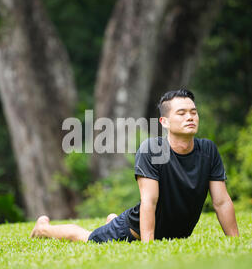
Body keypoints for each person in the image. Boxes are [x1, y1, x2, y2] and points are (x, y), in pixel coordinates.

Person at [30, 89, 239, 243]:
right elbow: (149, 201)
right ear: (164, 122)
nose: (190, 117)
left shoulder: (208, 150)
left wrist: (235, 242)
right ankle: (44, 229)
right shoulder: (151, 150)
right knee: (86, 237)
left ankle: (112, 219)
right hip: (133, 232)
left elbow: (221, 202)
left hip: (171, 234)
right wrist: (149, 248)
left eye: (193, 112)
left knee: (109, 225)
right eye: (182, 113)